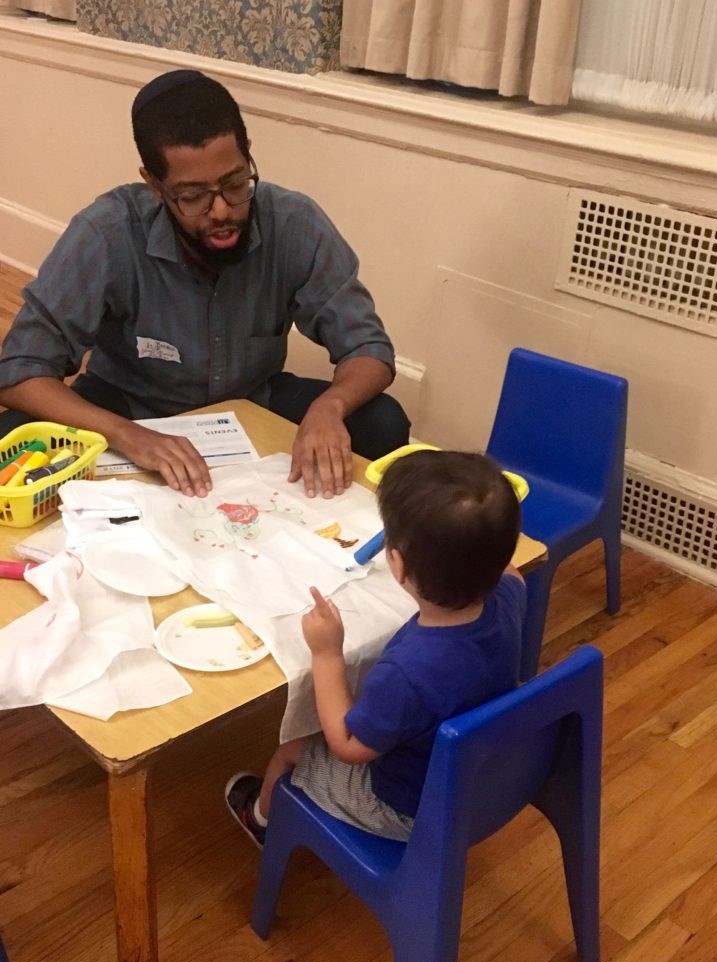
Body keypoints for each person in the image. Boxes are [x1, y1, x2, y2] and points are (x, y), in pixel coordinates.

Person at [0, 69, 409, 499]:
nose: (221, 212)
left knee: (382, 421)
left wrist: (330, 407)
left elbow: (369, 349)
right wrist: (127, 435)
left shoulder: (293, 222)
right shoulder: (108, 232)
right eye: (193, 195)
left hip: (252, 403)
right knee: (12, 435)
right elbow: (19, 371)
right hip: (129, 404)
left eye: (234, 184)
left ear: (248, 156)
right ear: (155, 186)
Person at [225, 449, 526, 845]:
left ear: (397, 565)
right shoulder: (510, 595)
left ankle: (261, 820)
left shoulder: (407, 673)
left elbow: (348, 747)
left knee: (288, 752)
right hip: (486, 775)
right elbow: (511, 571)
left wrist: (327, 654)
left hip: (409, 807)